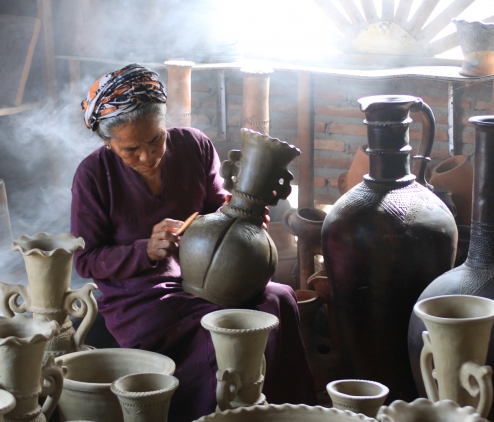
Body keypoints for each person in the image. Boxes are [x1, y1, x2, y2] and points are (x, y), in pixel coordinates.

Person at [71, 64, 316, 422]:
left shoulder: (193, 145)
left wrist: (243, 217)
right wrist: (145, 250)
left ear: (164, 122)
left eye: (155, 139)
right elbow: (86, 260)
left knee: (279, 298)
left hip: (209, 275)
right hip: (142, 297)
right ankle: (212, 416)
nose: (147, 155)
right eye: (130, 150)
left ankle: (284, 412)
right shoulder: (93, 175)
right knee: (222, 330)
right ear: (108, 143)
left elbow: (219, 207)